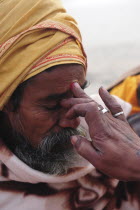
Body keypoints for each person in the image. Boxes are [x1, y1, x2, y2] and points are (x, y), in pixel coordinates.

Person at [0, 0, 140, 209]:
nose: (74, 120)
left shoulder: (116, 133)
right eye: (53, 106)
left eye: (79, 94)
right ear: (6, 101)